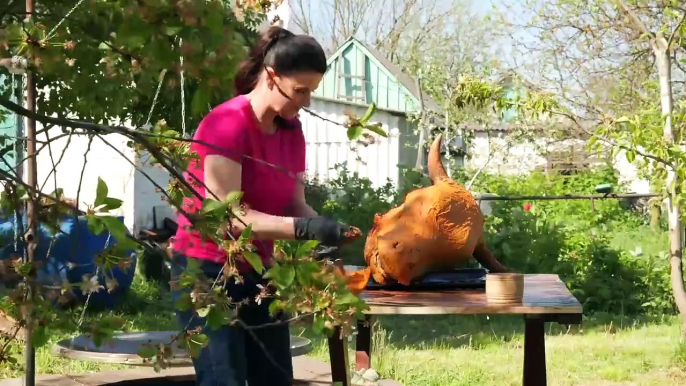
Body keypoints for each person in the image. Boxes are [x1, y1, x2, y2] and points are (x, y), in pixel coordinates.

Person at [169, 26, 351, 386]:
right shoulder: (226, 124)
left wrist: (327, 229)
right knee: (225, 380)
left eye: (311, 92)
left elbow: (293, 202)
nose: (306, 101)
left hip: (257, 272)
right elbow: (228, 217)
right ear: (271, 77)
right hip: (206, 273)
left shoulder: (291, 130)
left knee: (275, 378)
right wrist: (303, 230)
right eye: (300, 91)